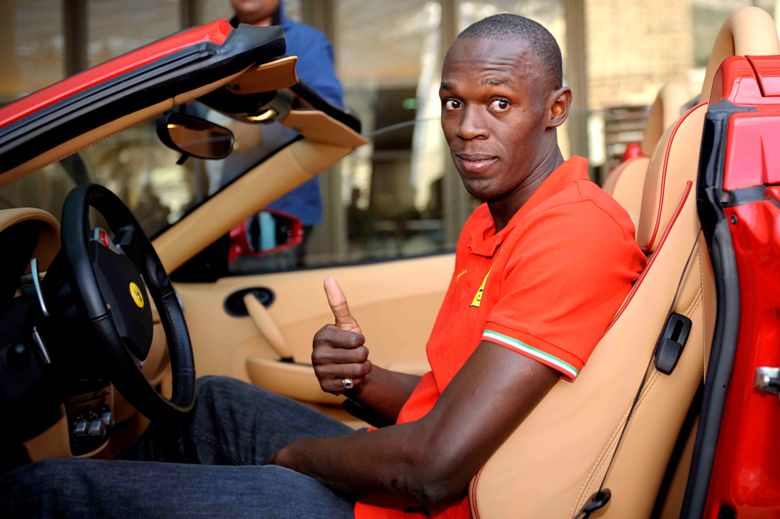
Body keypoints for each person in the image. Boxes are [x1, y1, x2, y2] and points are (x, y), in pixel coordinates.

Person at [0, 14, 646, 518]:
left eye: (499, 102)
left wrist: (292, 461)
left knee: (50, 491)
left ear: (555, 109)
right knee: (213, 406)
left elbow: (431, 468)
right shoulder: (498, 218)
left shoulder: (572, 232)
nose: (467, 127)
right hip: (442, 477)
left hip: (437, 504)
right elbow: (454, 402)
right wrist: (362, 381)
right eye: (453, 102)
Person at [230, 0, 343, 268]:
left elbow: (329, 114)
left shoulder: (307, 42)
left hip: (276, 214)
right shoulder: (212, 42)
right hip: (212, 211)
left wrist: (261, 132)